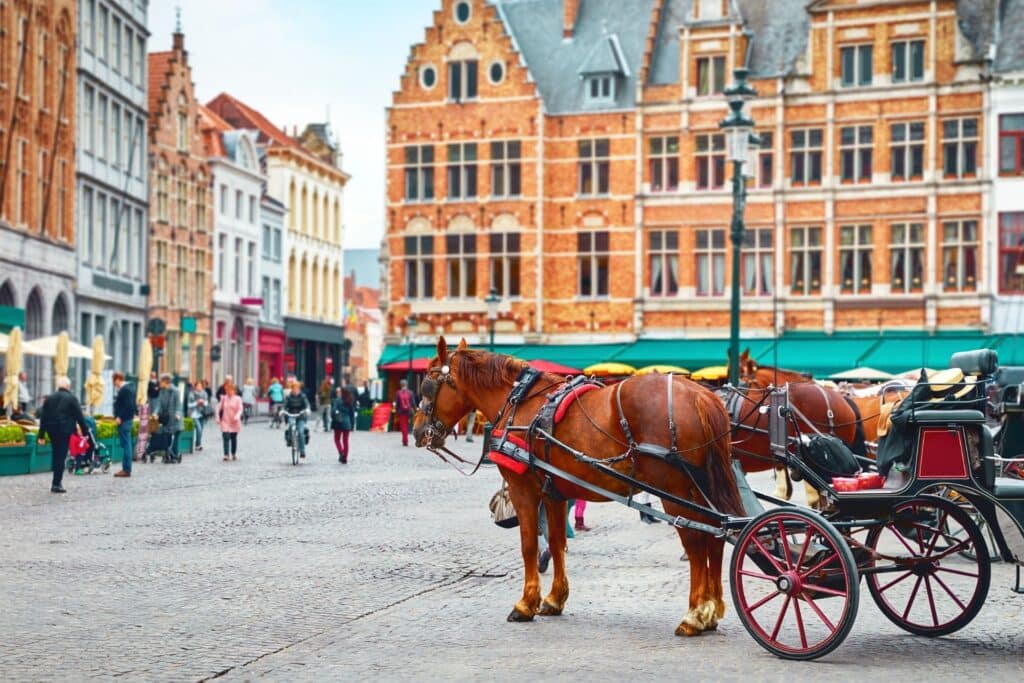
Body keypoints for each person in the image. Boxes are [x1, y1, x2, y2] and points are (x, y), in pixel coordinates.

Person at [36, 376, 90, 493]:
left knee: (56, 454)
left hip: (51, 430)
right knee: (61, 455)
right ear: (68, 386)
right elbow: (79, 417)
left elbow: (43, 417)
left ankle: (56, 477)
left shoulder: (49, 398)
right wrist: (85, 432)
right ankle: (56, 483)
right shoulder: (71, 398)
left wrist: (41, 435)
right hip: (64, 430)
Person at [112, 372, 136, 477]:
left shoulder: (125, 390)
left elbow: (128, 406)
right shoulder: (127, 389)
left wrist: (120, 417)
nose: (113, 384)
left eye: (113, 381)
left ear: (117, 379)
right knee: (126, 444)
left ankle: (126, 469)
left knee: (126, 445)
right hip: (126, 420)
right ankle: (126, 468)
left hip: (124, 421)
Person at [154, 373, 183, 462]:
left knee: (175, 438)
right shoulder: (162, 391)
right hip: (166, 419)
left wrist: (178, 413)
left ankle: (174, 455)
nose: (159, 383)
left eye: (161, 381)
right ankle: (169, 455)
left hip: (175, 418)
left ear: (166, 382)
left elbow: (178, 404)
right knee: (167, 437)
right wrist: (155, 413)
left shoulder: (176, 391)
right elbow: (158, 404)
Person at [282, 381, 311, 458]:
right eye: (294, 388)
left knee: (301, 432)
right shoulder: (288, 397)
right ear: (292, 389)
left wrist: (307, 409)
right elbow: (285, 405)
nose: (295, 390)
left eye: (297, 389)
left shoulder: (303, 396)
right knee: (291, 425)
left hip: (301, 416)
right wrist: (282, 410)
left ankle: (302, 451)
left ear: (299, 389)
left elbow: (307, 404)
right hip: (291, 414)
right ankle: (290, 440)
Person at [218, 382, 244, 461]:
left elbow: (240, 409)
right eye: (227, 390)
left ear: (234, 391)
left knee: (233, 438)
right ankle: (226, 454)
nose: (229, 392)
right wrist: (217, 418)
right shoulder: (223, 398)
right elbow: (218, 409)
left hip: (234, 421)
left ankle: (233, 453)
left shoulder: (238, 399)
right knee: (225, 437)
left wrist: (237, 416)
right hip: (225, 421)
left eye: (231, 390)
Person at [331, 386, 356, 464]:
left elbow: (333, 410)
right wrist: (352, 425)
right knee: (345, 441)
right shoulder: (349, 401)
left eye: (339, 392)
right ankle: (345, 457)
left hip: (338, 422)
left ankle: (341, 452)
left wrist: (333, 416)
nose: (338, 393)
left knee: (337, 439)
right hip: (347, 423)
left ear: (341, 393)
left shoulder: (337, 400)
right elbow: (352, 414)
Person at [187, 380, 210, 452]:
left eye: (200, 386)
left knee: (201, 431)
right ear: (195, 387)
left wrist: (203, 402)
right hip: (194, 414)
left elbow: (207, 403)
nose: (199, 387)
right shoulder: (191, 394)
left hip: (202, 414)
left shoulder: (204, 393)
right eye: (198, 386)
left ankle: (198, 444)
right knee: (199, 429)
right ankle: (198, 444)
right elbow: (189, 405)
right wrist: (197, 403)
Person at [393, 379, 415, 447]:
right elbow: (413, 402)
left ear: (401, 385)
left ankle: (405, 441)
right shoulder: (410, 392)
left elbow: (397, 404)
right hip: (409, 412)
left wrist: (396, 412)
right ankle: (405, 439)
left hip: (401, 412)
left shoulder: (398, 393)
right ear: (406, 384)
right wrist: (415, 409)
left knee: (403, 427)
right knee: (407, 426)